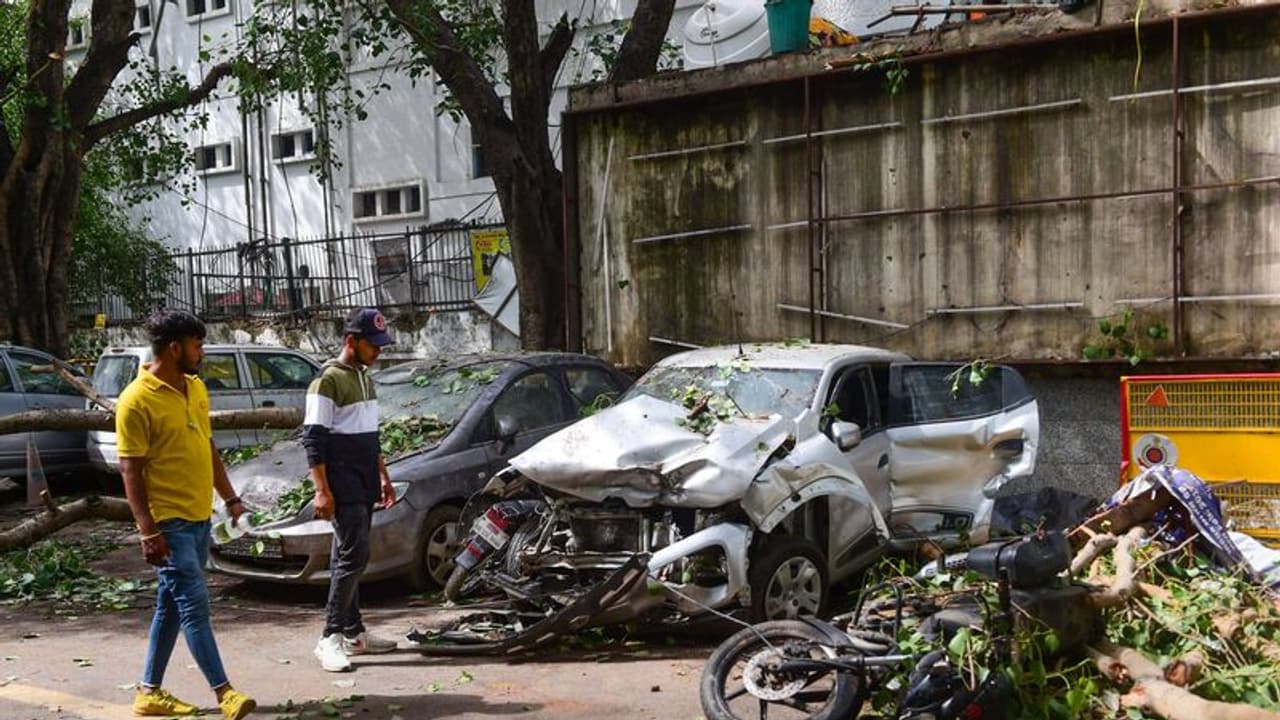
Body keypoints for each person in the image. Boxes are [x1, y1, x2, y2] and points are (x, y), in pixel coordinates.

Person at [117, 310, 256, 720]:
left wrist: (230, 499)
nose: (202, 352)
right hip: (169, 522)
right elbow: (130, 470)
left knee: (171, 607)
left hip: (199, 517)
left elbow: (207, 447)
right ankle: (225, 693)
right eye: (197, 345)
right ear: (174, 348)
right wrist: (147, 531)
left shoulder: (195, 387)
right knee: (194, 606)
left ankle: (148, 692)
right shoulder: (135, 401)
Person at [302, 308, 399, 672]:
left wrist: (384, 476)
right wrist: (321, 491)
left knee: (349, 554)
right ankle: (330, 636)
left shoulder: (365, 378)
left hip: (365, 478)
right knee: (353, 555)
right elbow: (313, 440)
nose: (378, 352)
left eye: (380, 345)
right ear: (350, 341)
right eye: (372, 345)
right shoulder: (326, 381)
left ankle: (355, 633)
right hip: (341, 480)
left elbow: (370, 436)